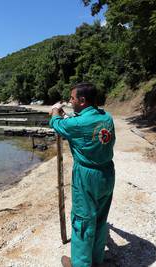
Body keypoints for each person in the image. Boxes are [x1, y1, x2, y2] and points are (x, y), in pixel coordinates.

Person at [49, 82, 116, 267]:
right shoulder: (107, 118)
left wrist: (56, 111)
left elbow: (57, 124)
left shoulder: (79, 123)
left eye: (72, 98)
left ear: (82, 100)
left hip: (87, 176)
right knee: (100, 218)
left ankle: (80, 264)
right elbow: (78, 122)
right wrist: (67, 115)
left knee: (82, 220)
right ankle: (96, 259)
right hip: (107, 173)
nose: (70, 101)